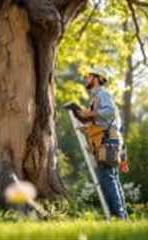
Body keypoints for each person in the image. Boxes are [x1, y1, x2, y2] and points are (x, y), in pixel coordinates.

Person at [75, 69, 128, 219]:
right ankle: (122, 216)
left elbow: (109, 111)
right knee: (112, 177)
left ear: (97, 78)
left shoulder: (102, 94)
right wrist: (87, 126)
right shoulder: (97, 96)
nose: (86, 78)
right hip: (107, 139)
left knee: (107, 178)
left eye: (89, 76)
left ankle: (118, 216)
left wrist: (89, 114)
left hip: (107, 141)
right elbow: (103, 120)